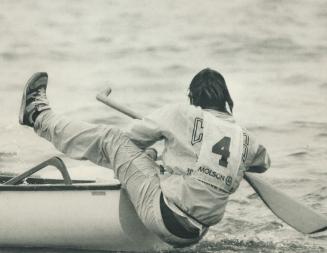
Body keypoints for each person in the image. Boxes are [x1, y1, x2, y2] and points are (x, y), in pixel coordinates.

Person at [19, 69, 270, 247]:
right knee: (155, 159)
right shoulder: (246, 139)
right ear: (226, 101)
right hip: (195, 233)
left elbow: (132, 139)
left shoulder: (183, 113)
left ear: (192, 98)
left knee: (110, 139)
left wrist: (155, 147)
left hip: (166, 218)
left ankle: (37, 116)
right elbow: (262, 163)